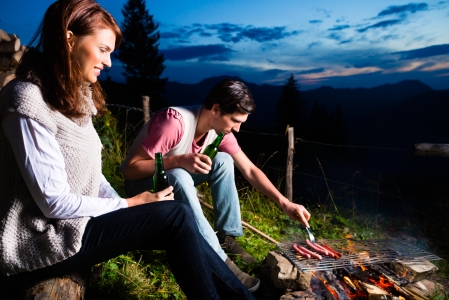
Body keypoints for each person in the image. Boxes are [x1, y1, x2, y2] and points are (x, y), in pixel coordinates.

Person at [0, 0, 257, 298]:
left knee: (175, 214)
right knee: (175, 216)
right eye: (103, 50)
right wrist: (130, 205)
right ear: (68, 39)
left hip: (75, 225)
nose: (108, 62)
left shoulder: (74, 101)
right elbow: (53, 204)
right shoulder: (25, 100)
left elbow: (94, 178)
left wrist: (130, 203)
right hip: (38, 240)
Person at [121, 80, 312, 278]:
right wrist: (178, 160)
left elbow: (249, 169)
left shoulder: (219, 131)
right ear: (216, 109)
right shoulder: (173, 123)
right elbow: (130, 170)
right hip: (143, 190)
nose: (238, 128)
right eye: (235, 121)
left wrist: (284, 202)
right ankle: (218, 259)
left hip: (175, 184)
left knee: (223, 159)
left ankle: (226, 237)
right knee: (178, 174)